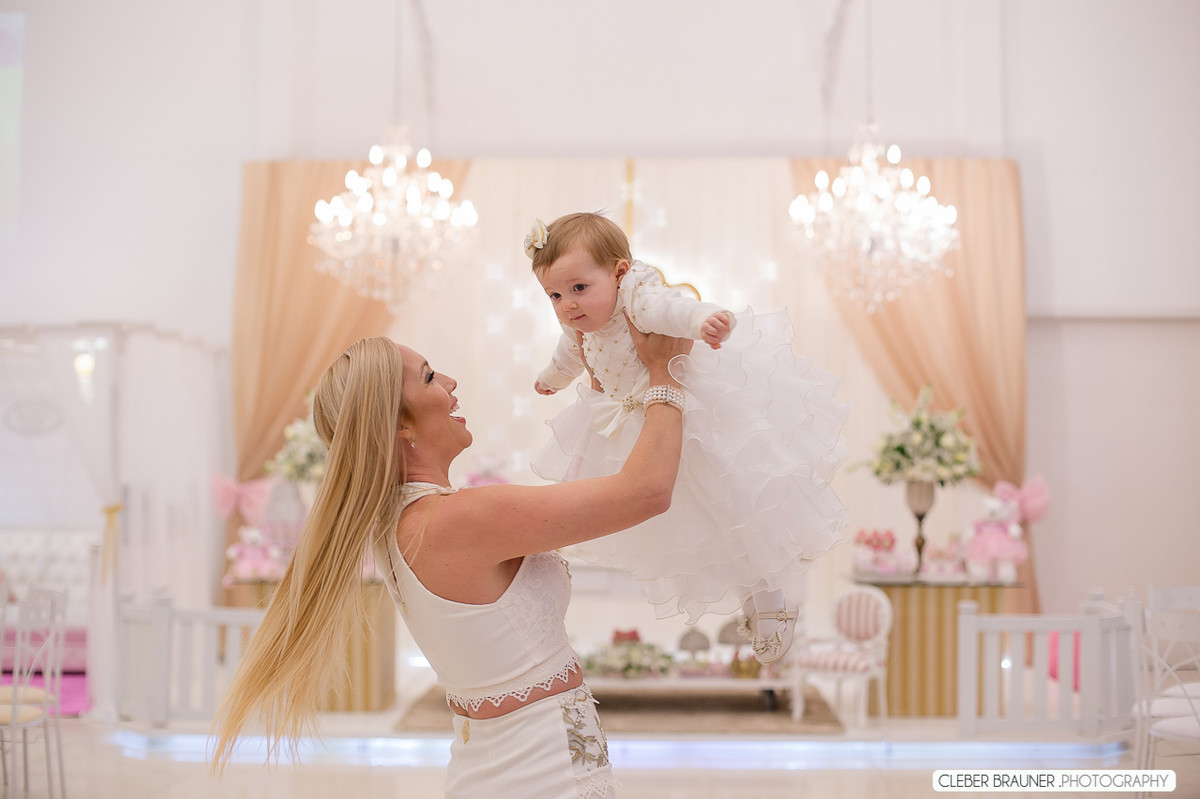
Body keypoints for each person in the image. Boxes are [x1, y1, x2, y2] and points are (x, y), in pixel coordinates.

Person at [210, 329, 691, 798]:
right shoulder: (458, 519)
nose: (451, 383)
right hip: (540, 773)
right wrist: (665, 372)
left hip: (510, 763)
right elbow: (646, 491)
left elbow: (606, 492)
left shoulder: (401, 521)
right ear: (398, 423)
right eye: (429, 377)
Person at [526, 212, 851, 663]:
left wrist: (702, 321)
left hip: (691, 419)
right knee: (705, 527)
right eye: (555, 295)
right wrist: (551, 379)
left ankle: (772, 596)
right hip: (640, 429)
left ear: (619, 273)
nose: (568, 304)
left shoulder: (636, 299)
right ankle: (751, 596)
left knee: (731, 506)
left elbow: (671, 310)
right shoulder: (576, 325)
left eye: (579, 288)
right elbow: (567, 355)